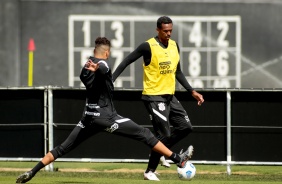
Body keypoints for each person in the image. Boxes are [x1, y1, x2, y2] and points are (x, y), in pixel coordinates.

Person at [16, 37, 194, 183]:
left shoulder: (85, 68)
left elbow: (94, 73)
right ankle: (178, 159)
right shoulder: (103, 64)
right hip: (106, 117)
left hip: (88, 117)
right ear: (107, 52)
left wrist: (95, 68)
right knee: (146, 134)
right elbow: (104, 68)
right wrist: (100, 67)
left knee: (62, 148)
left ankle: (32, 172)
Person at [112, 16, 204, 181]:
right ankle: (149, 171)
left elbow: (178, 72)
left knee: (186, 127)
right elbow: (126, 61)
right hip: (153, 97)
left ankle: (160, 150)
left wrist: (192, 91)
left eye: (170, 31)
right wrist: (110, 81)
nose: (168, 34)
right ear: (158, 30)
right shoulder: (148, 46)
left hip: (170, 96)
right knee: (165, 133)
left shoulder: (175, 46)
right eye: (165, 31)